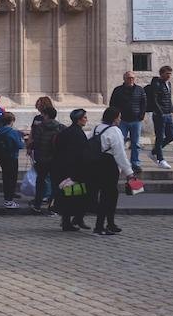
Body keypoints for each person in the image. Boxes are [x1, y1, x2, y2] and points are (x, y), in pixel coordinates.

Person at [91, 108, 136, 236]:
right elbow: (120, 153)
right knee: (109, 196)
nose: (120, 119)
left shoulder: (96, 128)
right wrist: (129, 172)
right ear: (114, 118)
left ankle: (110, 223)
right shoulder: (115, 131)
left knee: (106, 195)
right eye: (119, 117)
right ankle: (100, 226)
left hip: (96, 164)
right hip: (108, 165)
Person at [52, 109, 92, 231]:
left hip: (63, 168)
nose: (86, 119)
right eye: (84, 117)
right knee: (77, 196)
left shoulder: (66, 132)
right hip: (74, 170)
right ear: (79, 119)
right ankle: (71, 220)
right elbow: (83, 153)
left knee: (69, 196)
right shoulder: (78, 134)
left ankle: (71, 220)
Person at [27, 98, 64, 214]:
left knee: (40, 180)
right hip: (55, 159)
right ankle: (52, 206)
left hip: (42, 158)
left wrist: (30, 147)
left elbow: (36, 142)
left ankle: (37, 204)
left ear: (46, 115)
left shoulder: (41, 127)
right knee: (54, 183)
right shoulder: (60, 127)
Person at [108, 71, 147, 169]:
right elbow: (112, 104)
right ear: (124, 79)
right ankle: (120, 163)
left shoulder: (139, 89)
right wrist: (115, 117)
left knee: (136, 143)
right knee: (120, 143)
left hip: (136, 120)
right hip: (122, 121)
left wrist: (142, 115)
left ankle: (135, 163)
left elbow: (144, 102)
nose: (131, 80)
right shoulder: (118, 90)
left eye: (132, 78)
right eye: (129, 78)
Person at [146, 66, 173, 169]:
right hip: (159, 115)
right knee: (159, 137)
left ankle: (154, 152)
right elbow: (154, 100)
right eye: (167, 73)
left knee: (171, 136)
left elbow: (168, 97)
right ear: (161, 74)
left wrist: (172, 109)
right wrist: (160, 112)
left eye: (170, 74)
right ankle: (160, 159)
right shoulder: (156, 84)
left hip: (168, 114)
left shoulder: (169, 84)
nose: (169, 76)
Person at [0, 112, 25, 208]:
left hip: (3, 157)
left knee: (6, 178)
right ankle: (9, 200)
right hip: (12, 157)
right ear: (12, 121)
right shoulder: (12, 132)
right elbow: (20, 145)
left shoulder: (0, 131)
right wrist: (22, 138)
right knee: (12, 179)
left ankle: (7, 198)